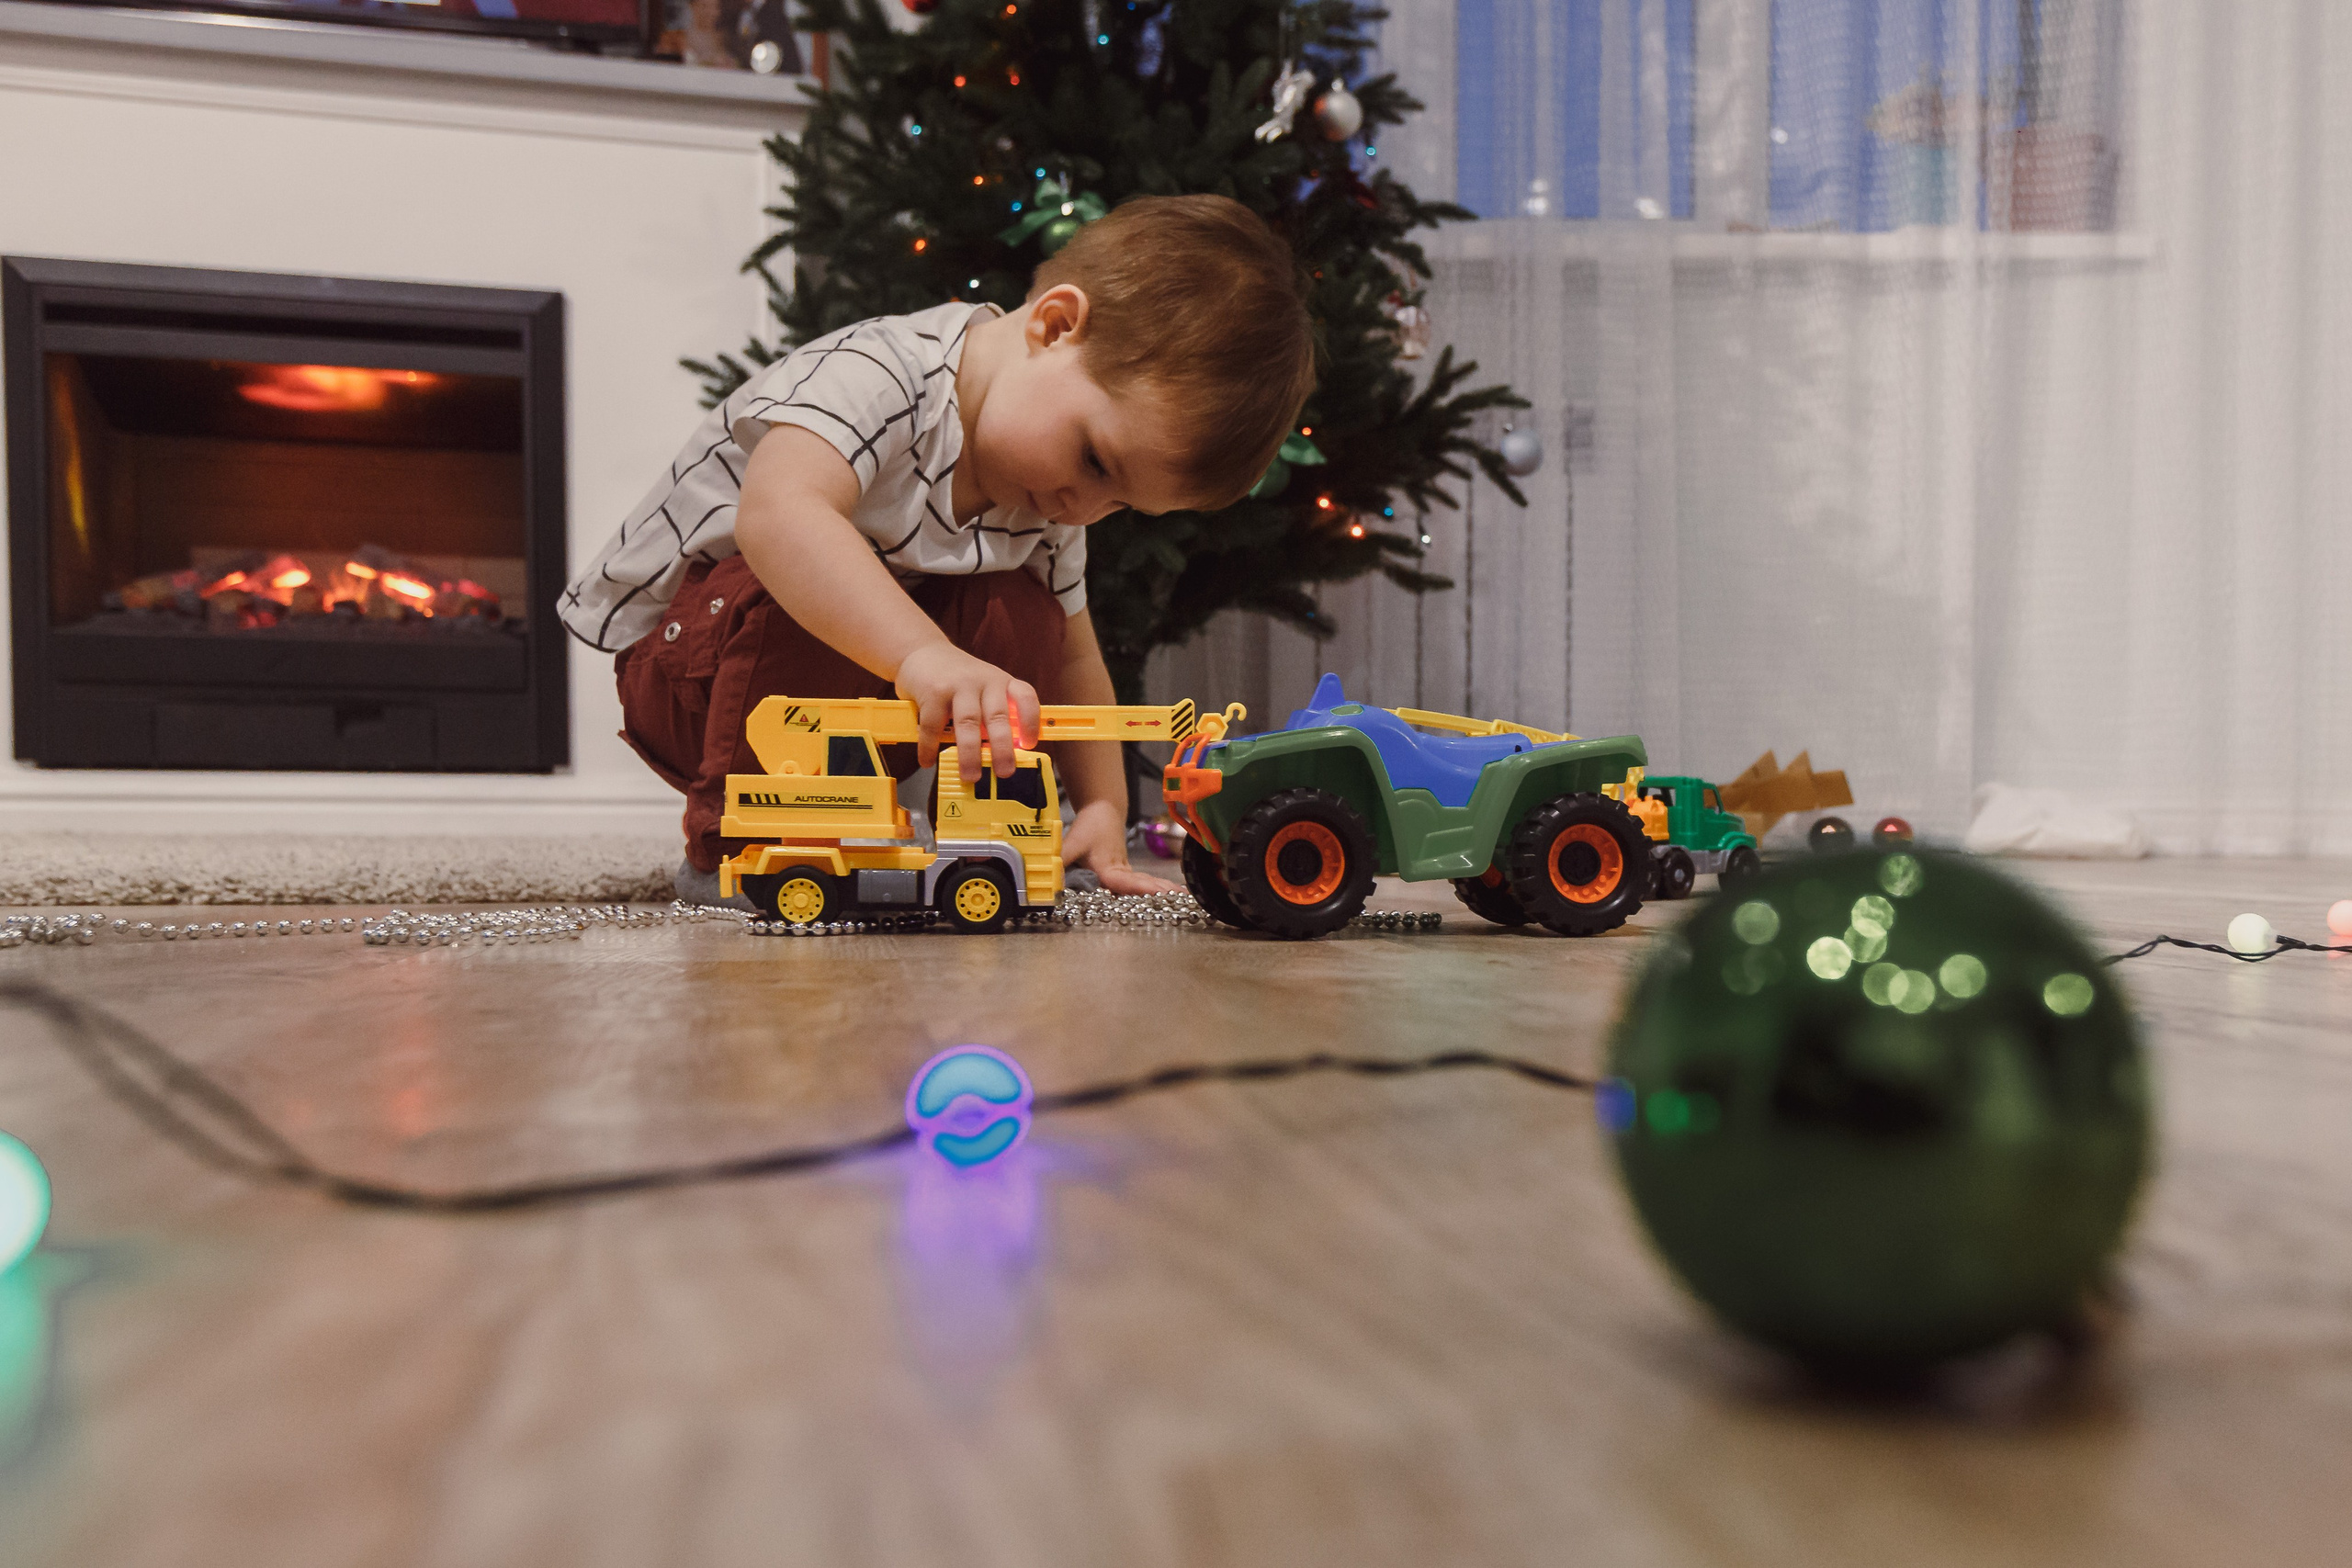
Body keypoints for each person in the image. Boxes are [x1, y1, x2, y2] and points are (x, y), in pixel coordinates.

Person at [560, 194, 1318, 902]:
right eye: (1094, 460)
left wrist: (1102, 807)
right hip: (688, 676)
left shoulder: (1047, 501)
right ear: (1056, 326)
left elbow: (1075, 661)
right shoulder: (883, 374)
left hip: (844, 709)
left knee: (1028, 612)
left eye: (1121, 503)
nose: (1084, 507)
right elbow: (779, 516)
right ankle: (737, 842)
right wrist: (924, 655)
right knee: (803, 577)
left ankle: (978, 833)